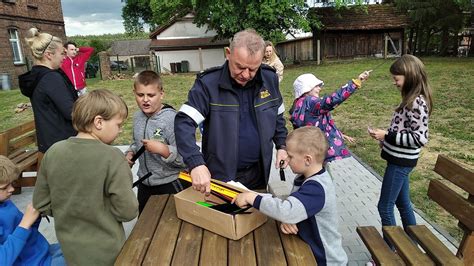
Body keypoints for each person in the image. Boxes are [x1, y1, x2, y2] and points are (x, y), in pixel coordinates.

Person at [174, 29, 288, 194]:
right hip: (221, 175)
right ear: (228, 53)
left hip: (259, 173)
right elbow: (184, 122)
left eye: (253, 69)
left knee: (254, 218)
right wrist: (196, 163)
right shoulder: (208, 84)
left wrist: (282, 145)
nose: (246, 74)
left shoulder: (269, 79)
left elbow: (277, 115)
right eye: (240, 67)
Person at [33, 89, 139, 265]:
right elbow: (127, 211)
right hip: (107, 252)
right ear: (99, 122)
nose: (120, 131)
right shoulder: (113, 158)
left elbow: (41, 202)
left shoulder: (53, 152)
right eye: (118, 124)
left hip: (70, 250)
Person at [233, 127, 347, 265]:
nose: (286, 159)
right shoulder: (306, 177)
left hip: (325, 260)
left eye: (291, 156)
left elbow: (286, 210)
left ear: (307, 160)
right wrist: (293, 218)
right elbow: (293, 206)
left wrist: (252, 198)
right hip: (309, 251)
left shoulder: (316, 188)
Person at [368, 54, 433, 245]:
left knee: (384, 207)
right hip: (398, 160)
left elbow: (420, 138)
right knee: (403, 204)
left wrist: (387, 136)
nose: (394, 83)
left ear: (410, 76)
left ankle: (392, 252)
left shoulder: (416, 103)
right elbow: (404, 131)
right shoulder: (410, 99)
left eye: (397, 79)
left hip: (400, 163)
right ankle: (412, 247)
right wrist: (385, 138)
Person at [125, 70, 187, 213]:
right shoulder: (137, 117)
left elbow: (185, 158)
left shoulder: (171, 120)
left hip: (170, 183)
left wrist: (164, 150)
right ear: (134, 93)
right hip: (144, 184)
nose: (145, 99)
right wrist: (130, 153)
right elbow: (136, 142)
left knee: (169, 227)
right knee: (144, 226)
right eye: (140, 95)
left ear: (161, 94)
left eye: (151, 95)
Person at [289, 71, 370, 173]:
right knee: (322, 175)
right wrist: (355, 83)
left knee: (308, 173)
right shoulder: (312, 102)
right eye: (316, 86)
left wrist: (339, 134)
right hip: (318, 147)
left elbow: (318, 123)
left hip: (307, 146)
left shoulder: (299, 103)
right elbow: (332, 99)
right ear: (307, 88)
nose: (320, 88)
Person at [18, 28, 78, 156]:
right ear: (49, 55)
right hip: (62, 145)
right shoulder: (51, 78)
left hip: (48, 142)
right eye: (62, 53)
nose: (64, 57)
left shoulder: (37, 76)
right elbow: (71, 112)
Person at [0, 155, 65, 266]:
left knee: (87, 246)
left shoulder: (5, 203)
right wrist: (25, 223)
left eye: (12, 184)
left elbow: (27, 234)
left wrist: (36, 217)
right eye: (4, 187)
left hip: (43, 252)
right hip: (37, 262)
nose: (11, 189)